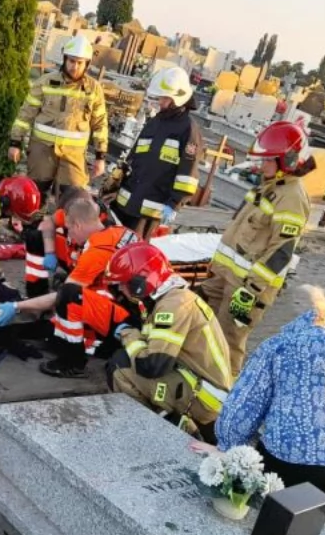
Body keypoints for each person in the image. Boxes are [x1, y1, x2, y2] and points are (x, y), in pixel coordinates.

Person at [212, 285, 325, 504]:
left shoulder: (278, 346)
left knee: (267, 516)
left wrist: (226, 447)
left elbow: (244, 403)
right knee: (304, 522)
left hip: (287, 462)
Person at [198, 121, 314, 376]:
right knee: (206, 331)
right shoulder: (271, 186)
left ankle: (225, 399)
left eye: (268, 161)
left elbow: (281, 251)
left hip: (246, 289)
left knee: (229, 342)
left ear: (288, 160)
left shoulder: (292, 197)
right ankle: (202, 382)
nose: (262, 166)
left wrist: (251, 290)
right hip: (225, 278)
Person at [104, 243, 232, 443]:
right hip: (199, 383)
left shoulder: (174, 305)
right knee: (126, 359)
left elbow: (153, 366)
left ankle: (153, 435)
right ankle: (167, 419)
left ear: (141, 280)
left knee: (120, 367)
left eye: (123, 283)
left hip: (204, 397)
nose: (120, 288)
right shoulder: (170, 297)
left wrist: (129, 335)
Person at [39, 197, 138, 378]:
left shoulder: (98, 250)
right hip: (131, 301)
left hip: (129, 316)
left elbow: (63, 295)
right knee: (68, 301)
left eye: (69, 230)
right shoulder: (118, 231)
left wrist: (18, 306)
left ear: (77, 225)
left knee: (68, 297)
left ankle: (72, 362)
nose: (69, 236)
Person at [9, 35, 108, 198]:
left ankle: (60, 224)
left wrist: (100, 156)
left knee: (72, 199)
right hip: (42, 151)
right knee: (34, 195)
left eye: (79, 63)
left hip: (74, 156)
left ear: (87, 64)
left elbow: (100, 124)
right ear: (64, 59)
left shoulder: (94, 90)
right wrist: (15, 142)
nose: (74, 67)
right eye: (71, 61)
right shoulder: (45, 82)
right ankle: (31, 223)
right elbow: (25, 114)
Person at [110, 67, 202, 237]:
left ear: (177, 98)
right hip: (126, 204)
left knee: (133, 255)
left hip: (149, 213)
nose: (160, 101)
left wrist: (174, 204)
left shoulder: (188, 129)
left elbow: (187, 175)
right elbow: (134, 157)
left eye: (165, 98)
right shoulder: (155, 121)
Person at [23, 189, 112, 297]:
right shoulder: (73, 210)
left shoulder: (106, 231)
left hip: (90, 267)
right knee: (35, 237)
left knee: (71, 295)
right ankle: (36, 293)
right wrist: (49, 252)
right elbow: (48, 223)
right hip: (73, 255)